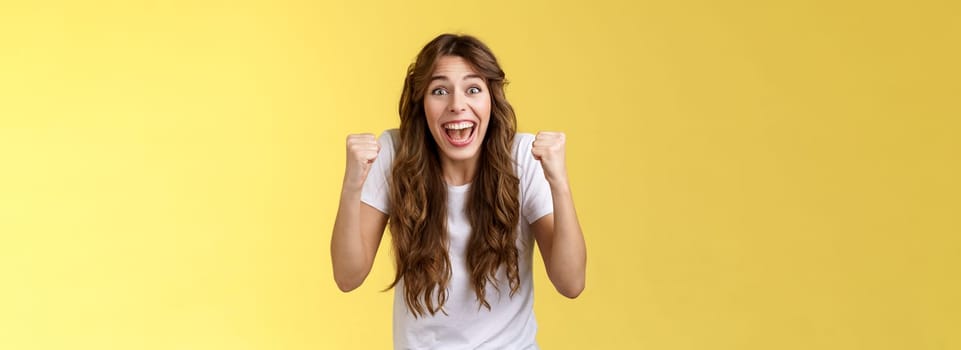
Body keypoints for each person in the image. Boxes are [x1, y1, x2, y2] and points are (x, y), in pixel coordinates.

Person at [331, 33, 586, 349]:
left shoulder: (523, 157)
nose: (457, 105)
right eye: (440, 91)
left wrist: (559, 182)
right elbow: (347, 276)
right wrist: (352, 184)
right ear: (421, 103)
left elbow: (571, 282)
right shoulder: (395, 155)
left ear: (491, 100)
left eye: (473, 89)